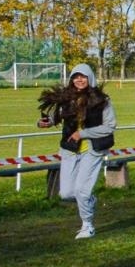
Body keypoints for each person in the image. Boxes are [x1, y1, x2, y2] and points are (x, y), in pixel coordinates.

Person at [36, 64, 116, 239]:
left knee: (82, 190)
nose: (79, 80)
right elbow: (59, 117)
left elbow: (110, 127)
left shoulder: (102, 100)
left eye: (83, 76)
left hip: (92, 149)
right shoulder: (66, 98)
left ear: (90, 78)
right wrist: (46, 122)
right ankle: (89, 200)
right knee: (66, 193)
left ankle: (87, 225)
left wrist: (83, 133)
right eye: (76, 76)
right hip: (70, 150)